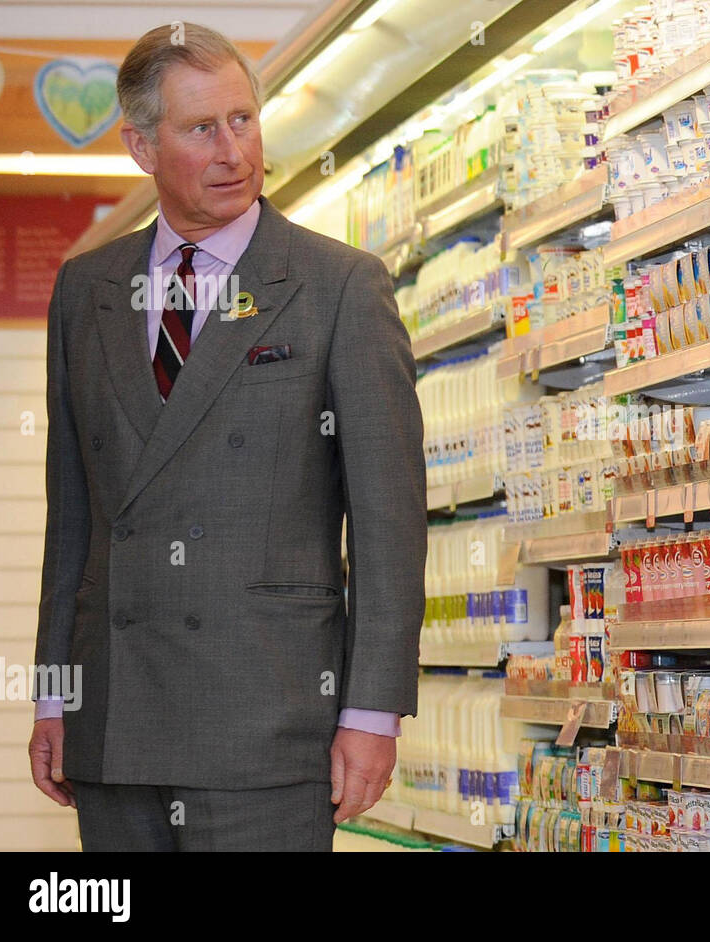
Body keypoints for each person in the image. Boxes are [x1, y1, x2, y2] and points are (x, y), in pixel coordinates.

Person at [27, 22, 427, 851]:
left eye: (243, 120)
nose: (233, 150)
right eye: (200, 128)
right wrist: (53, 695)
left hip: (269, 721)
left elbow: (390, 520)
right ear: (141, 145)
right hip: (113, 721)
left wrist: (371, 711)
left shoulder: (339, 287)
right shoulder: (86, 289)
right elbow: (71, 518)